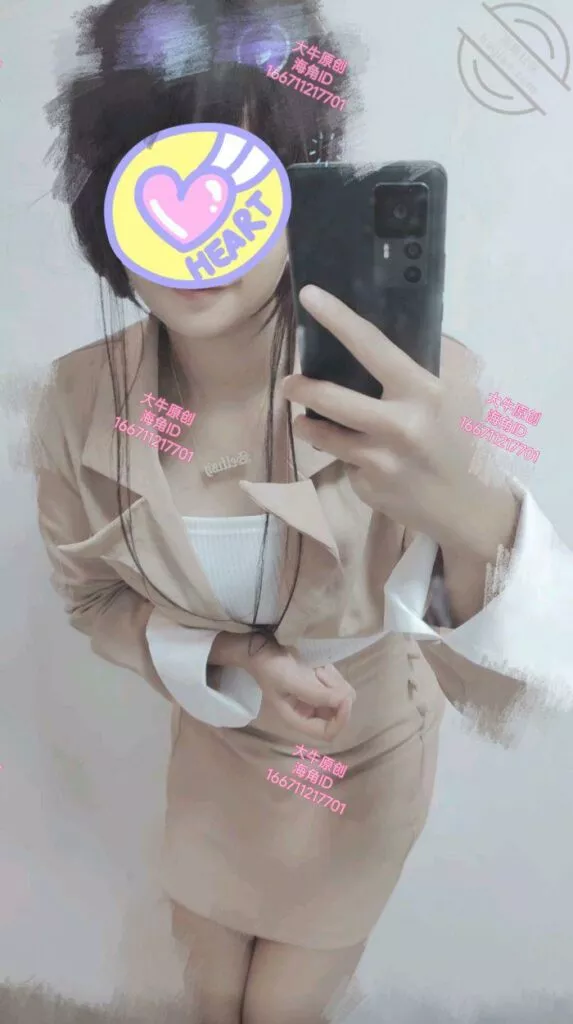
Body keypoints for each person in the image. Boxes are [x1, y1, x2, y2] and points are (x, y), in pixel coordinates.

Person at [33, 0, 573, 1021]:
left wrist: (467, 505)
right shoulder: (76, 400)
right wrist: (234, 662)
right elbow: (91, 599)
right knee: (207, 993)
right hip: (216, 759)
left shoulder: (418, 385)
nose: (195, 232)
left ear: (301, 192)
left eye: (241, 178)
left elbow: (519, 693)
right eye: (154, 182)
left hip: (361, 765)